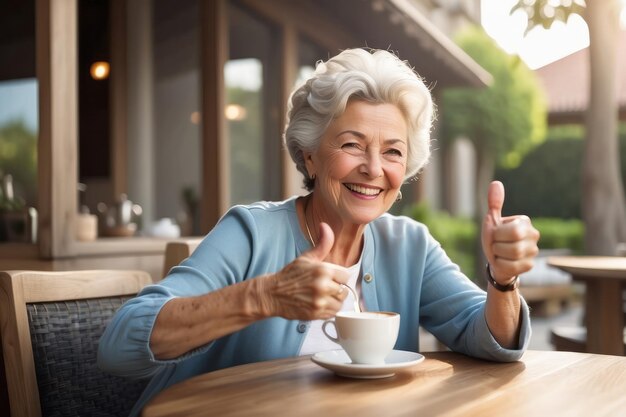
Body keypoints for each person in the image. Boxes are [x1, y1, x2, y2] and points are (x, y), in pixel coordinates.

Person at [98, 48, 539, 415]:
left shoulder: (409, 245)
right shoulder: (251, 231)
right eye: (352, 144)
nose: (373, 168)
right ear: (310, 155)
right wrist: (263, 296)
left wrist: (502, 280)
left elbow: (492, 340)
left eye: (393, 151)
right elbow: (119, 346)